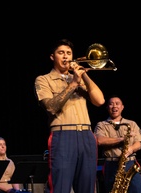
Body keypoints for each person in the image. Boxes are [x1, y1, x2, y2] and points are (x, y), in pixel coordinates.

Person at [34, 38, 105, 193]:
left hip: (86, 135)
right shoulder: (43, 79)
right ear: (53, 57)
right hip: (63, 135)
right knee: (61, 187)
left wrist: (83, 75)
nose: (66, 57)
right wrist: (73, 83)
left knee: (87, 187)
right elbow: (51, 107)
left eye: (68, 53)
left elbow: (100, 101)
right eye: (61, 53)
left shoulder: (79, 79)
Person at [94, 95, 141, 193]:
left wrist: (130, 149)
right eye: (111, 104)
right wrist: (123, 139)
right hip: (111, 165)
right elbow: (99, 140)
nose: (114, 106)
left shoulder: (131, 123)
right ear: (107, 108)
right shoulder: (101, 125)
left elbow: (139, 143)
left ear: (122, 107)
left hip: (130, 163)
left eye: (117, 104)